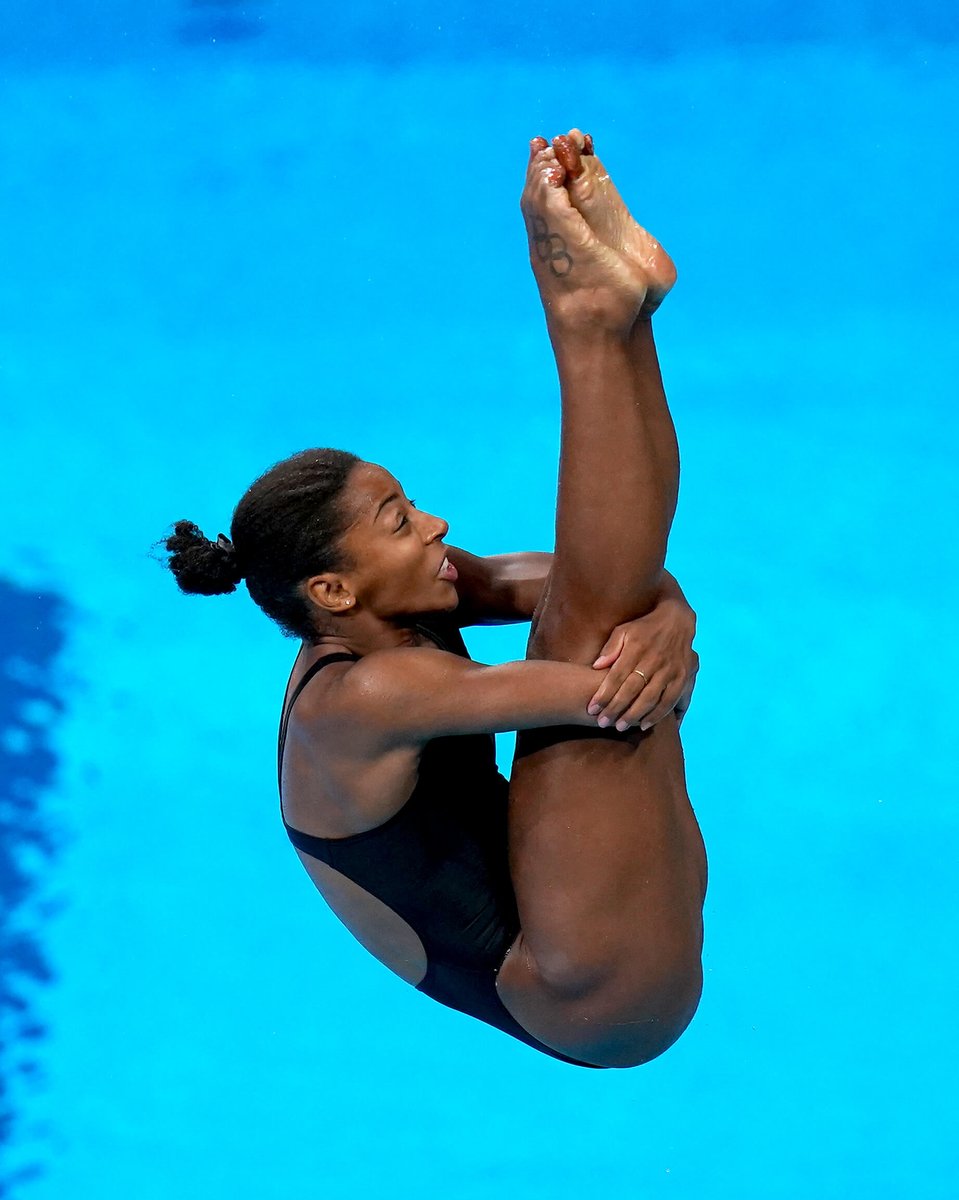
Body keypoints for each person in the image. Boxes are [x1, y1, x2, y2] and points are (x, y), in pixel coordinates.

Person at [164, 130, 707, 1069]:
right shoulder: (363, 698)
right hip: (587, 993)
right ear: (333, 588)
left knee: (599, 605)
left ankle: (623, 318)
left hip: (600, 918)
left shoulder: (398, 609)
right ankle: (586, 321)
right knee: (591, 633)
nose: (435, 524)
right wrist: (656, 633)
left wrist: (672, 616)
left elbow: (612, 583)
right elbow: (596, 685)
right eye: (396, 518)